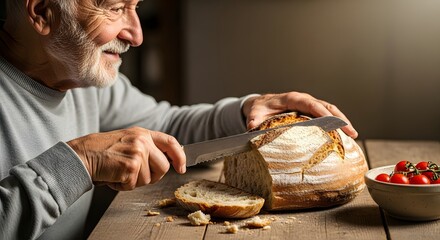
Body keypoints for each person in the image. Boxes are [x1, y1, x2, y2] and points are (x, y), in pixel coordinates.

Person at [0, 0, 358, 239]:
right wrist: (80, 162)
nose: (136, 34)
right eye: (115, 8)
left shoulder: (80, 77)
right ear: (43, 11)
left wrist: (249, 109)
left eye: (135, 6)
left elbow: (167, 126)